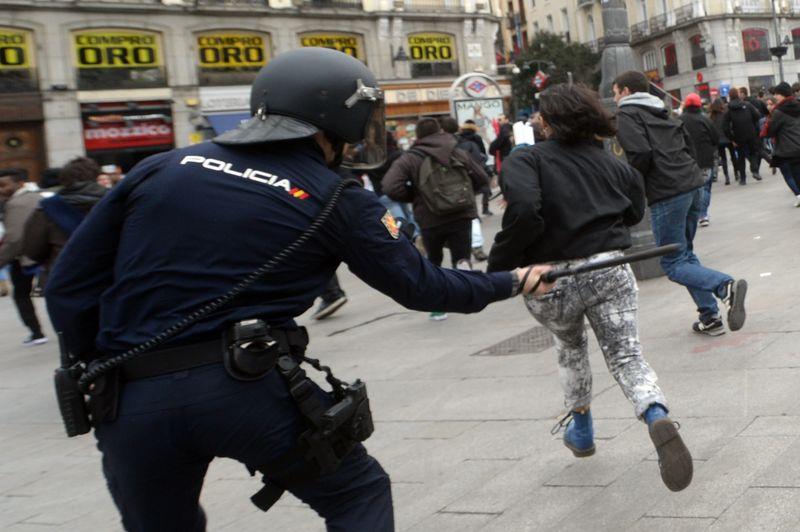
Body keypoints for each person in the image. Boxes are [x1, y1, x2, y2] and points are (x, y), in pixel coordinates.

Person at [44, 48, 551, 532]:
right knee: (357, 493)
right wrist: (511, 279)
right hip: (243, 387)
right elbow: (424, 286)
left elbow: (68, 283)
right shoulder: (337, 197)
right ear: (338, 123)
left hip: (130, 397)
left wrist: (96, 366)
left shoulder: (160, 167)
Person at [488, 83, 692, 492]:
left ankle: (582, 430)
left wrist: (500, 267)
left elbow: (524, 210)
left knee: (570, 346)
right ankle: (655, 413)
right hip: (609, 267)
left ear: (547, 122)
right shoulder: (612, 163)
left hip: (551, 277)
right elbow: (634, 210)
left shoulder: (526, 159)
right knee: (627, 355)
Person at [613, 70, 748, 336]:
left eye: (615, 92)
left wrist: (632, 186)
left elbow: (640, 153)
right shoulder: (663, 110)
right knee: (685, 254)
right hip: (691, 183)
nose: (615, 97)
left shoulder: (626, 114)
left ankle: (724, 287)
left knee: (673, 263)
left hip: (667, 191)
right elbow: (687, 145)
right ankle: (710, 316)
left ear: (626, 91)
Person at [383, 117, 491, 321]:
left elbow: (390, 186)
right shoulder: (457, 150)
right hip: (461, 213)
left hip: (430, 218)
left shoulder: (411, 157)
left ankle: (439, 307)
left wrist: (416, 197)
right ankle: (467, 297)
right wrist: (466, 194)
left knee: (434, 261)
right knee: (462, 257)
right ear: (440, 131)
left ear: (419, 135)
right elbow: (482, 177)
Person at [23, 157, 107, 283]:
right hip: (109, 274)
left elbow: (32, 249)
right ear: (96, 176)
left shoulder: (48, 207)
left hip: (64, 275)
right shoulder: (115, 201)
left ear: (64, 179)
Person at [0, 168, 47, 345]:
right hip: (46, 255)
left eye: (4, 185)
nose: (1, 189)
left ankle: (37, 333)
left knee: (21, 295)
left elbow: (14, 240)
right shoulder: (37, 197)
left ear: (19, 184)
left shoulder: (15, 204)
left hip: (25, 258)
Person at [439, 116, 491, 262]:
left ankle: (451, 244)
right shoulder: (467, 145)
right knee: (471, 217)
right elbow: (478, 166)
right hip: (465, 188)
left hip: (442, 191)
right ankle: (477, 247)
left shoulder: (435, 147)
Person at [680, 93, 719, 226]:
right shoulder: (705, 120)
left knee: (690, 189)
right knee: (705, 187)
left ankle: (692, 214)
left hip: (686, 161)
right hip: (705, 159)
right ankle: (703, 215)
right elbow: (715, 138)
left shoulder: (679, 121)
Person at [761, 82, 800, 207]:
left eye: (777, 94)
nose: (775, 96)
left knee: (795, 177)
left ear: (783, 95)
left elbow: (768, 132)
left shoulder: (779, 112)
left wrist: (769, 118)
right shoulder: (798, 105)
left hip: (790, 150)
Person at [724, 88, 763, 184]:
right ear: (738, 95)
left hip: (738, 136)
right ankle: (755, 170)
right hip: (751, 133)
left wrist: (732, 138)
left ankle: (743, 179)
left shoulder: (728, 110)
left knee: (741, 157)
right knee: (753, 152)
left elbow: (725, 127)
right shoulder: (747, 105)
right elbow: (757, 115)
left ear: (729, 96)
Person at [709, 99, 733, 185]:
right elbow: (729, 126)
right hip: (728, 138)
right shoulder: (725, 114)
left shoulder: (711, 117)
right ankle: (736, 173)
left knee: (723, 159)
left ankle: (727, 177)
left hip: (719, 140)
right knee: (733, 156)